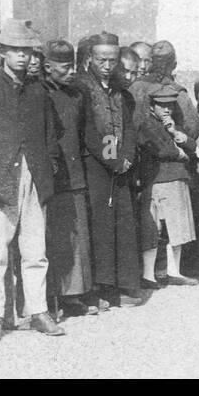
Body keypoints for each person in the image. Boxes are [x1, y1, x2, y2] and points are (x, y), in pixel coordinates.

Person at [0, 18, 63, 342]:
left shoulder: (39, 92)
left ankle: (38, 311)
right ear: (2, 52)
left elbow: (50, 137)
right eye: (14, 50)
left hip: (34, 177)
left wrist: (48, 169)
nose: (22, 57)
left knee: (35, 250)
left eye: (26, 51)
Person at [79, 31, 142, 308]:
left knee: (123, 224)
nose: (107, 66)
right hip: (96, 166)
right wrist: (113, 158)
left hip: (120, 165)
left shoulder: (119, 92)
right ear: (90, 59)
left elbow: (127, 127)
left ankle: (124, 285)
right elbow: (92, 130)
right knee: (100, 225)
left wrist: (126, 155)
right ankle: (101, 287)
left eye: (112, 60)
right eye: (101, 60)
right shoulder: (84, 89)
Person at [41, 39, 95, 318]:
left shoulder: (76, 94)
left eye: (72, 66)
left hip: (74, 175)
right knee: (53, 238)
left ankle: (72, 295)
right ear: (47, 67)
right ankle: (51, 295)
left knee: (75, 239)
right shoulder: (39, 93)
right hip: (51, 176)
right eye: (64, 67)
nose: (71, 72)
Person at [137, 83, 199, 287]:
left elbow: (193, 147)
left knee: (177, 227)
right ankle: (148, 275)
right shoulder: (147, 124)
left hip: (175, 179)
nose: (166, 109)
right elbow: (161, 150)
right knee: (154, 228)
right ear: (151, 106)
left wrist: (174, 133)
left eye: (170, 105)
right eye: (161, 105)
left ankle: (174, 271)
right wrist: (180, 153)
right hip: (157, 180)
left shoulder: (172, 125)